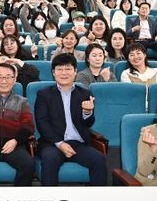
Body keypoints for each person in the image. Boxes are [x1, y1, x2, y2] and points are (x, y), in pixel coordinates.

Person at [34, 53, 107, 186]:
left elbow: (88, 123)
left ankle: (98, 198)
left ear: (75, 71)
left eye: (68, 69)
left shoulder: (85, 94)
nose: (64, 73)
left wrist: (87, 112)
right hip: (52, 143)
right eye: (59, 69)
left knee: (98, 159)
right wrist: (60, 143)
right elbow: (41, 122)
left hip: (79, 143)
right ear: (53, 73)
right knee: (49, 159)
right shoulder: (44, 94)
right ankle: (50, 198)